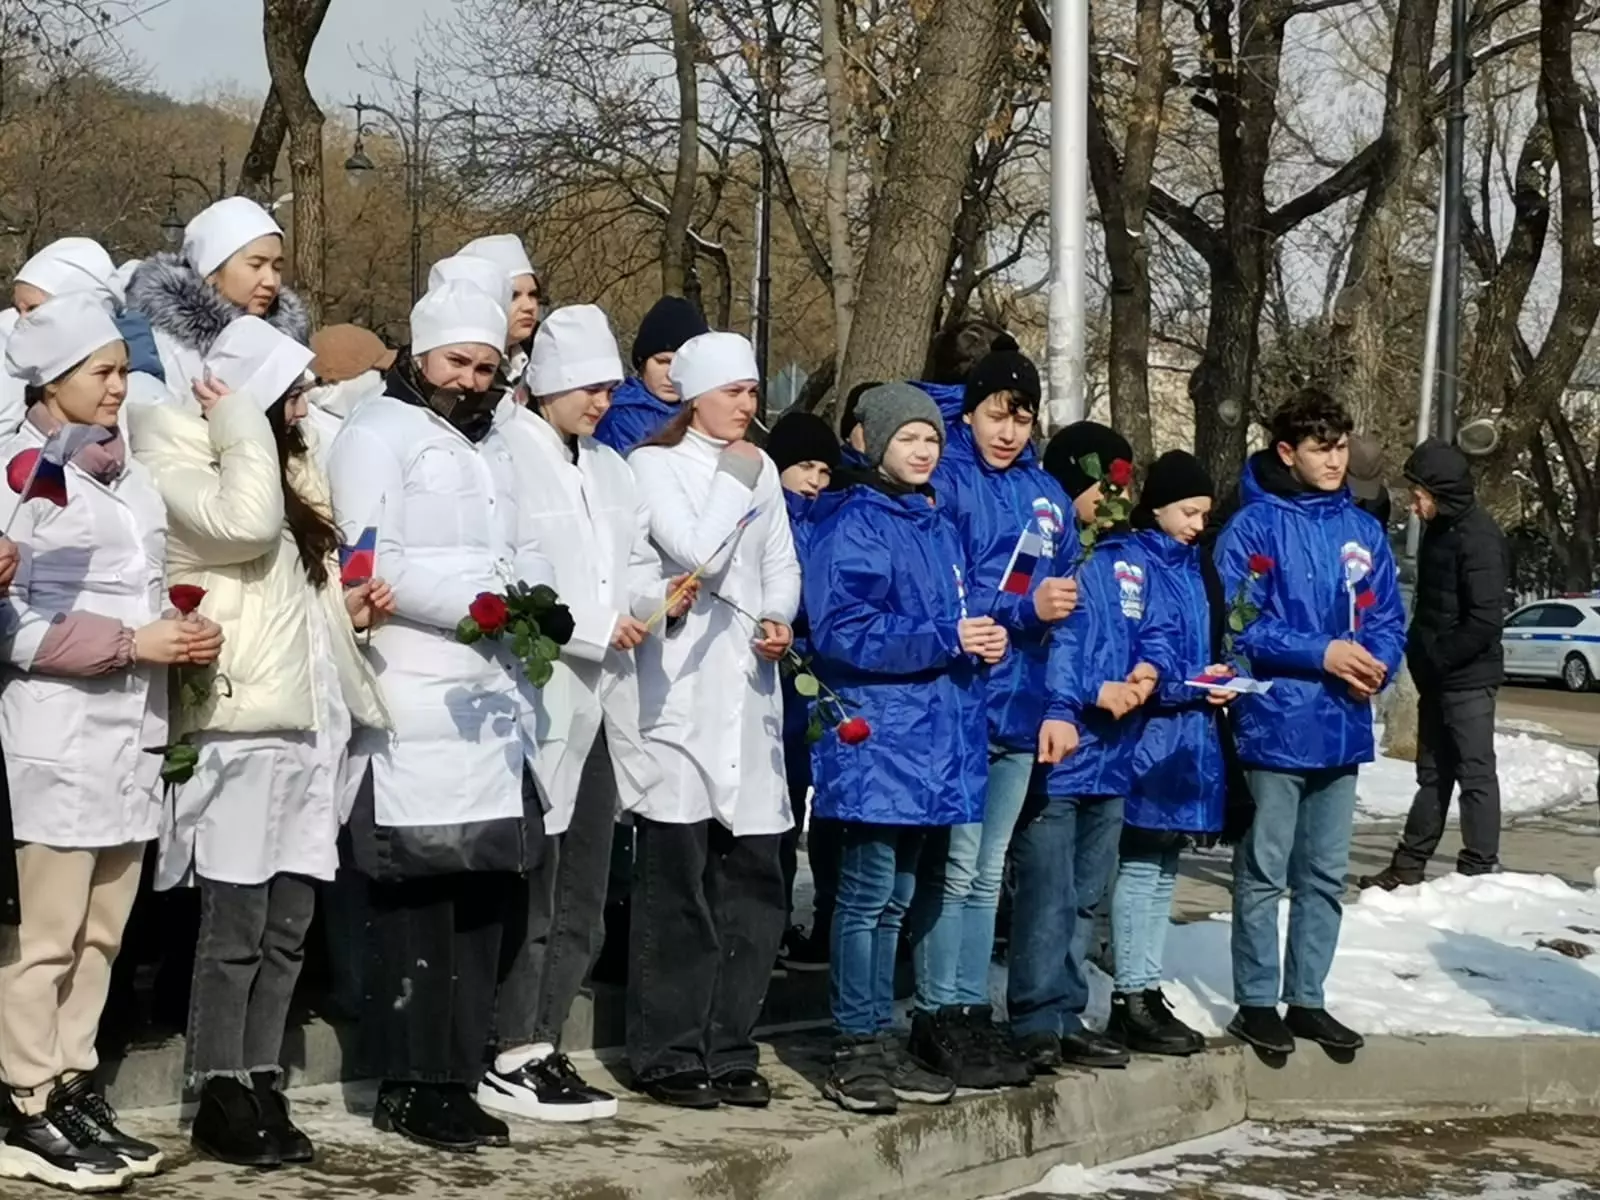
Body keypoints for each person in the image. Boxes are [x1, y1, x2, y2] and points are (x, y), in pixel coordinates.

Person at [128, 316, 395, 1167]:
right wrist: (241, 418)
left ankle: (261, 1071)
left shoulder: (287, 462)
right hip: (238, 725)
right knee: (235, 924)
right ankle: (218, 1086)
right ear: (251, 396)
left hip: (309, 720)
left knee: (287, 925)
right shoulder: (179, 453)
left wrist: (345, 616)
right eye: (292, 390)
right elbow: (243, 528)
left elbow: (291, 589)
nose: (306, 405)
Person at [0, 294, 223, 1190]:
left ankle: (71, 1081)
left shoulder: (129, 476)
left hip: (133, 734)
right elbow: (13, 628)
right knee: (45, 937)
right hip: (56, 733)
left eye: (124, 370)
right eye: (101, 372)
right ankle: (21, 1100)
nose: (118, 386)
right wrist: (132, 643)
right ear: (51, 380)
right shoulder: (17, 474)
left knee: (102, 934)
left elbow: (146, 582)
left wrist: (180, 630)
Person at [325, 280, 551, 1152]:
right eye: (458, 362)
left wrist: (527, 604)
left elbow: (514, 547)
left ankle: (458, 1072)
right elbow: (367, 558)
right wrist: (478, 606)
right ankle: (410, 1080)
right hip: (413, 692)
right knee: (418, 899)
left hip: (489, 700)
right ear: (420, 355)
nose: (471, 380)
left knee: (482, 895)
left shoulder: (494, 446)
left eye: (487, 368)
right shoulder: (377, 433)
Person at [479, 305, 692, 1124]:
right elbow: (514, 574)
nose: (602, 403)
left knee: (586, 884)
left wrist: (651, 600)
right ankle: (509, 1043)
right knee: (538, 879)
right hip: (539, 695)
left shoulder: (609, 468)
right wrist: (596, 627)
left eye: (608, 388)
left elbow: (632, 559)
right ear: (546, 384)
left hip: (604, 698)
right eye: (588, 389)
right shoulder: (507, 455)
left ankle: (543, 1037)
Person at [804, 383, 1000, 1115]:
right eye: (907, 438)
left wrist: (981, 639)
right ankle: (853, 1045)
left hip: (931, 738)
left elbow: (948, 619)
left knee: (897, 900)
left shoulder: (933, 520)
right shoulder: (855, 521)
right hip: (879, 737)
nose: (923, 451)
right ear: (874, 441)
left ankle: (879, 1037)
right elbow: (843, 632)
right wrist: (947, 638)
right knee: (864, 896)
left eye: (931, 439)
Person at [625, 331, 800, 1109]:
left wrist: (778, 616)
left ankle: (730, 1046)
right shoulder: (652, 466)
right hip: (681, 696)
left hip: (748, 693)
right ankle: (667, 1050)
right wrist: (736, 474)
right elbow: (701, 553)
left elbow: (778, 563)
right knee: (679, 882)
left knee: (753, 885)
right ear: (695, 395)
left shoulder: (760, 469)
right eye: (733, 391)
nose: (747, 405)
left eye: (753, 391)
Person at [1214, 388, 1405, 1056]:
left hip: (1342, 723)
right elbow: (1239, 623)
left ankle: (1308, 998)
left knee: (1324, 874)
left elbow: (1386, 615)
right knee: (1265, 870)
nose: (1334, 460)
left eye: (1341, 447)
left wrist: (1377, 664)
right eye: (1321, 449)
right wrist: (1321, 652)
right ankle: (1255, 1000)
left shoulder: (1363, 529)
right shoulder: (1254, 528)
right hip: (1274, 722)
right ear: (1286, 452)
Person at [907, 336, 1072, 1090]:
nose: (1008, 432)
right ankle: (936, 1009)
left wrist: (1060, 703)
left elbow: (1067, 615)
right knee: (956, 867)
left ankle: (970, 1007)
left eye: (1022, 418)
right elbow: (946, 590)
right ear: (970, 413)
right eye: (996, 415)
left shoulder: (1049, 498)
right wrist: (1022, 608)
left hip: (1020, 707)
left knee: (987, 870)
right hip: (961, 703)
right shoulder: (945, 481)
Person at [1008, 420, 1166, 1075]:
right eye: (1104, 485)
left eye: (1123, 487)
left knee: (1086, 895)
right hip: (1063, 750)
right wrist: (1088, 692)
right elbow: (1041, 639)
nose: (1114, 499)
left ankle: (1070, 1011)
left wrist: (1149, 671)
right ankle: (1035, 1015)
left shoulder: (1131, 557)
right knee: (1047, 891)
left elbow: (1155, 625)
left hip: (1115, 752)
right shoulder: (1054, 550)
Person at [1108, 450, 1230, 1056]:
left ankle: (1146, 984)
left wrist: (1218, 675)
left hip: (1186, 736)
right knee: (1139, 868)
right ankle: (1129, 992)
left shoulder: (1191, 566)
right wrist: (1192, 685)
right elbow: (1138, 656)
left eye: (1204, 514)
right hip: (1148, 738)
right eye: (1188, 512)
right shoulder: (1135, 563)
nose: (1197, 525)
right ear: (1156, 507)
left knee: (1162, 871)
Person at [1361, 438, 1508, 890]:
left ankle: (1478, 869)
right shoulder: (1438, 531)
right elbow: (1430, 605)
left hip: (1468, 679)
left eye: (1420, 494)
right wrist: (1418, 655)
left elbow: (1485, 620)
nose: (1413, 503)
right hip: (1436, 675)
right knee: (1432, 775)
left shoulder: (1480, 538)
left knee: (1474, 773)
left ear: (1442, 493)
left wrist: (1439, 658)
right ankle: (1408, 866)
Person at [765, 410, 843, 973]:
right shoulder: (773, 517)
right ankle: (766, 928)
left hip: (822, 677)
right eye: (805, 467)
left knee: (823, 808)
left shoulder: (833, 522)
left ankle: (818, 924)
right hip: (783, 672)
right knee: (782, 805)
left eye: (824, 470)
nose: (815, 481)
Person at [125, 197, 309, 408]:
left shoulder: (285, 342)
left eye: (277, 267)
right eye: (256, 265)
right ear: (211, 272)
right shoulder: (165, 349)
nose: (270, 281)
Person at [592, 296, 709, 454]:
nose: (672, 375)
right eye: (663, 362)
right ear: (643, 363)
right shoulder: (616, 418)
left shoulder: (712, 412)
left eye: (683, 364)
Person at [302, 325, 397, 469]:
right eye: (380, 373)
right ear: (337, 382)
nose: (383, 383)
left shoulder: (312, 422)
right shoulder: (320, 444)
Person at [457, 234, 543, 379]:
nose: (529, 306)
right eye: (513, 296)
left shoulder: (543, 358)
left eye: (533, 295)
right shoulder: (463, 372)